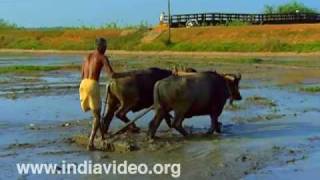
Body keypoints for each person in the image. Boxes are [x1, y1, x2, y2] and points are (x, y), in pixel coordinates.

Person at [79, 37, 114, 150]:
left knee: (96, 114)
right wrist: (126, 75)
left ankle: (102, 136)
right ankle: (91, 142)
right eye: (105, 46)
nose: (106, 48)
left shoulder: (87, 56)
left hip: (83, 84)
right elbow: (111, 74)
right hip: (92, 85)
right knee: (97, 116)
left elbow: (82, 73)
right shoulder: (102, 57)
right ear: (101, 47)